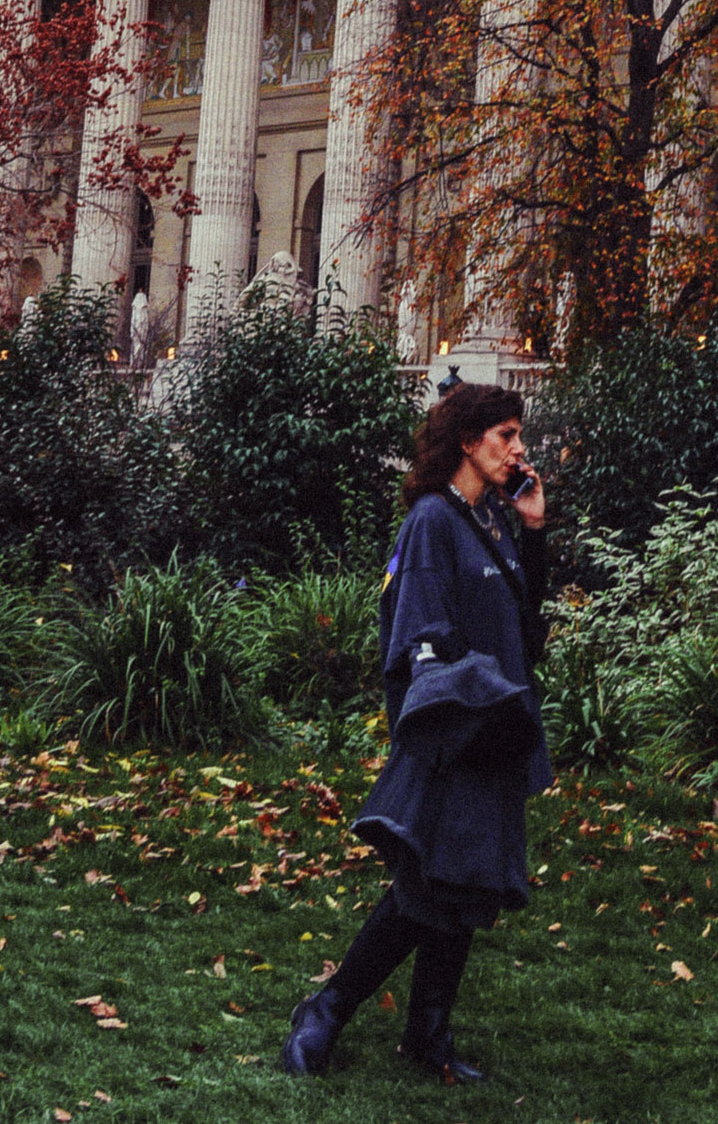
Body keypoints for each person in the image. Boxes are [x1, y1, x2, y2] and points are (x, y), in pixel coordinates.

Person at [279, 381, 551, 1083]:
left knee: (465, 885)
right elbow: (421, 636)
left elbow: (528, 635)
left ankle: (428, 1035)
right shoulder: (432, 521)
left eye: (519, 436)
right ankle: (325, 1011)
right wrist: (474, 709)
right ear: (468, 440)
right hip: (453, 734)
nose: (519, 449)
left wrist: (534, 532)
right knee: (427, 887)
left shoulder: (492, 520)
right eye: (507, 435)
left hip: (494, 732)